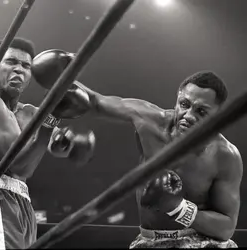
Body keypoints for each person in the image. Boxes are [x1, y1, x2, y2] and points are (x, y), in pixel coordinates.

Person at [32, 49, 243, 248]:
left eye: (201, 112)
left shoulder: (224, 155)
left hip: (201, 242)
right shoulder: (149, 119)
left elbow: (226, 227)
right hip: (149, 241)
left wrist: (178, 208)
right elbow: (95, 102)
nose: (188, 115)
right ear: (178, 98)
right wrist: (62, 78)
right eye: (185, 104)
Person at [0, 38, 95, 249]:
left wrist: (71, 143)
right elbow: (20, 165)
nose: (19, 70)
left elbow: (55, 142)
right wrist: (51, 120)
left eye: (26, 66)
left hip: (21, 204)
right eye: (11, 62)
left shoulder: (28, 112)